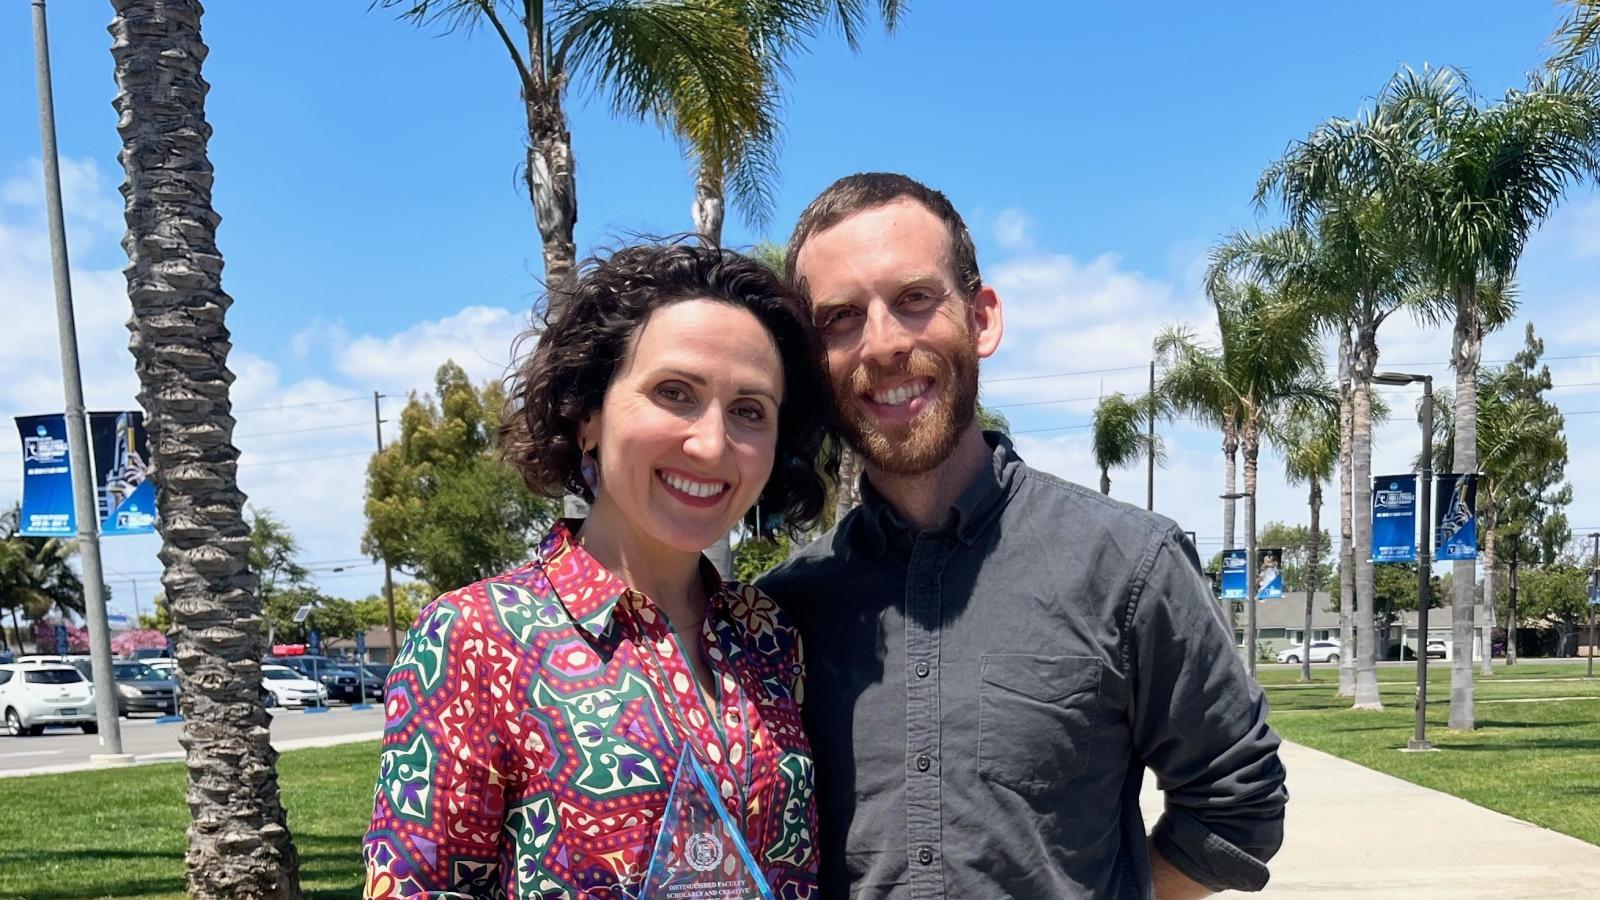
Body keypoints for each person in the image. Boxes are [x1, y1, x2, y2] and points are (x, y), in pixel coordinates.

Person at [758, 173, 1288, 899]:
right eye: (840, 318)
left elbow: (1238, 799)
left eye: (913, 299)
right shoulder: (783, 613)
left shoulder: (1127, 566)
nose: (880, 344)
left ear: (982, 319)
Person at [363, 244, 830, 899]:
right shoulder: (477, 638)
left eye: (750, 410)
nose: (711, 443)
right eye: (676, 393)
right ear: (589, 415)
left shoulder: (770, 637)